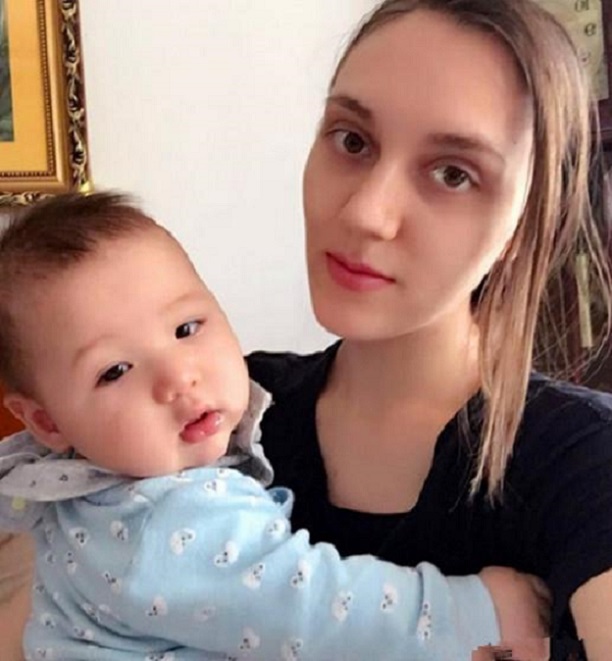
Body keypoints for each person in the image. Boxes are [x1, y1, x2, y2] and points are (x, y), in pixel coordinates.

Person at [1, 0, 611, 658]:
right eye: (352, 140)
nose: (367, 212)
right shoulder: (210, 416)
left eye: (453, 174)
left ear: (526, 221)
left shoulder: (583, 459)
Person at [0, 192, 545, 660]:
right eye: (115, 371)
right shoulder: (158, 521)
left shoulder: (67, 481)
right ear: (47, 421)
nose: (179, 378)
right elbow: (317, 609)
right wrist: (477, 610)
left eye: (187, 328)